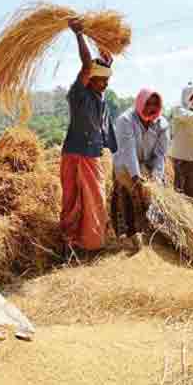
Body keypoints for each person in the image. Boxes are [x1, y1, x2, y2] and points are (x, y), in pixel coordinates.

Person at [59, 18, 118, 256]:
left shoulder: (98, 98)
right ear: (89, 79)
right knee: (73, 201)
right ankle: (70, 245)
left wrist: (105, 51)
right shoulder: (79, 94)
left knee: (94, 200)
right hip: (75, 154)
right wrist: (79, 35)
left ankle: (90, 244)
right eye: (101, 80)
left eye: (107, 81)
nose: (105, 85)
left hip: (91, 154)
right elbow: (86, 64)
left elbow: (103, 63)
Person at [111, 88, 170, 250]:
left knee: (156, 194)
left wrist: (156, 177)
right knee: (128, 194)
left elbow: (160, 155)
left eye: (155, 104)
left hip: (147, 164)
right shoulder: (125, 120)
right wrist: (136, 177)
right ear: (140, 103)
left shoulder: (162, 124)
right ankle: (128, 234)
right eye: (148, 103)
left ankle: (152, 229)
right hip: (124, 163)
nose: (151, 108)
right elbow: (128, 151)